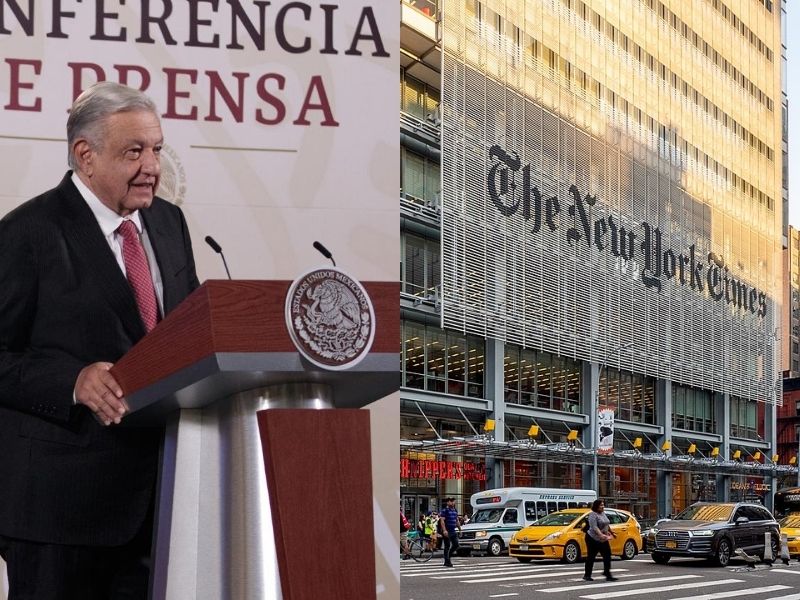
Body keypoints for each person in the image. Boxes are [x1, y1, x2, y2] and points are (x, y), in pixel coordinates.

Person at [0, 81, 200, 599]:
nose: (152, 165)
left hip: (159, 505)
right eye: (134, 151)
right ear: (84, 155)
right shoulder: (27, 233)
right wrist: (73, 381)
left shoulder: (170, 223)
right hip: (58, 516)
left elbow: (189, 332)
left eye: (155, 149)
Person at [583, 499, 618, 582]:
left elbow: (606, 523)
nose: (603, 507)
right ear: (596, 506)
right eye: (601, 505)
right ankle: (587, 575)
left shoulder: (603, 513)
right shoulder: (592, 515)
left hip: (603, 538)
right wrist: (601, 535)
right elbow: (594, 527)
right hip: (592, 538)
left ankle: (607, 573)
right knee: (591, 556)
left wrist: (611, 533)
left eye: (603, 505)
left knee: (607, 555)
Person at [439, 497, 461, 567]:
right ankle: (447, 561)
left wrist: (460, 529)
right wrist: (444, 530)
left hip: (453, 530)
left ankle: (449, 556)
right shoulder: (445, 510)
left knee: (456, 545)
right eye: (451, 501)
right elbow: (442, 521)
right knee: (447, 546)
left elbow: (457, 520)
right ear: (448, 502)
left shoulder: (455, 510)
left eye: (453, 501)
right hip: (447, 531)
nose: (453, 503)